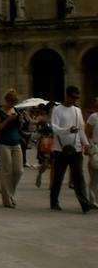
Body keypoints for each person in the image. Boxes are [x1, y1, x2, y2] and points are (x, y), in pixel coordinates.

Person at [49, 85, 93, 213]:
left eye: (76, 98)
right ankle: (54, 201)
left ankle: (84, 204)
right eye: (73, 97)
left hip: (76, 149)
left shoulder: (77, 111)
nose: (74, 100)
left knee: (79, 177)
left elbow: (81, 129)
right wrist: (68, 130)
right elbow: (54, 128)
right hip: (60, 149)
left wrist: (86, 144)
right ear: (67, 96)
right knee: (58, 177)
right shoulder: (57, 110)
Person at [0, 89, 23, 208]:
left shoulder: (15, 111)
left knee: (19, 171)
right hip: (4, 144)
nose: (12, 104)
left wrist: (21, 120)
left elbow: (19, 127)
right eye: (11, 101)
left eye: (14, 102)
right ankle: (7, 198)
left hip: (16, 142)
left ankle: (8, 191)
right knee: (7, 170)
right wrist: (7, 119)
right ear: (6, 100)